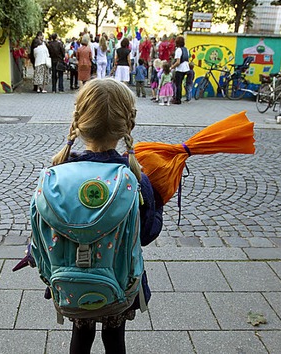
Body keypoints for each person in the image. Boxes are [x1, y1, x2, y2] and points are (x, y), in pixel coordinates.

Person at [49, 78, 164, 354]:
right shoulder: (135, 177)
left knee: (81, 336)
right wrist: (157, 202)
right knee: (115, 340)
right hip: (120, 281)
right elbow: (147, 234)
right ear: (128, 125)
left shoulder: (59, 173)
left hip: (72, 280)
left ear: (79, 121)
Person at [170, 35, 189, 105]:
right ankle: (179, 98)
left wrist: (171, 67)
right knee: (180, 84)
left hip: (180, 69)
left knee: (178, 85)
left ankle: (178, 99)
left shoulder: (178, 50)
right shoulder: (186, 49)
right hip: (186, 68)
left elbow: (178, 62)